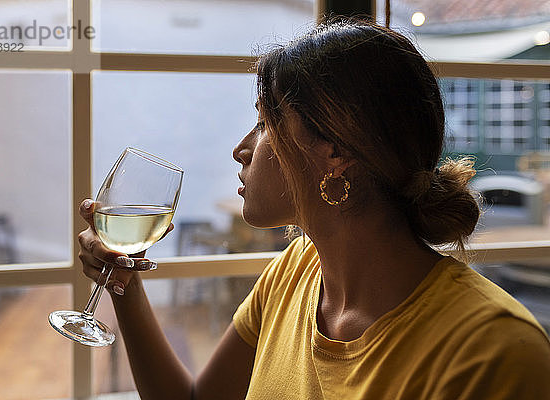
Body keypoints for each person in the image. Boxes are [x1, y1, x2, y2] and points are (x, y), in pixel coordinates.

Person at [77, 19, 550, 399]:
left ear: (336, 151)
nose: (241, 149)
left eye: (264, 123)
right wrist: (125, 286)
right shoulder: (294, 273)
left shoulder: (492, 350)